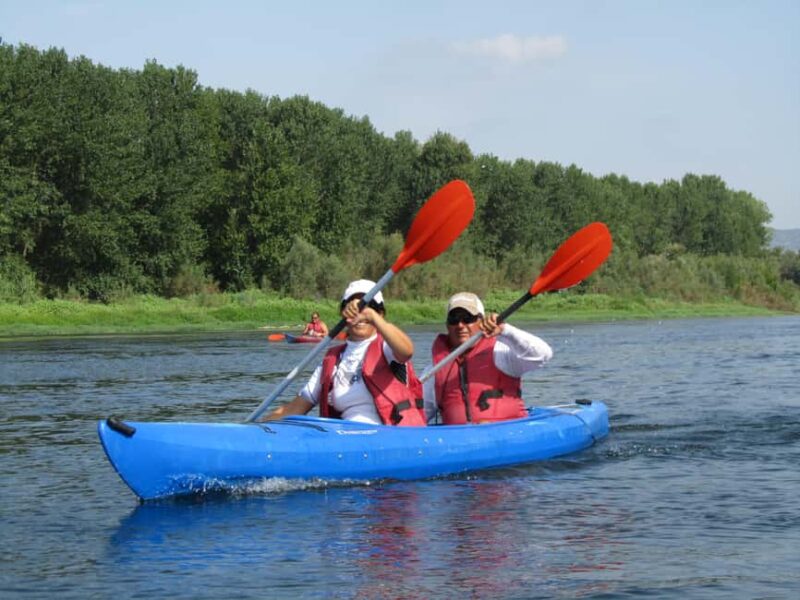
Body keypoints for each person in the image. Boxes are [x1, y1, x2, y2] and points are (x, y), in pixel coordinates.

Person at [262, 280, 426, 426]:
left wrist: (371, 316)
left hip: (392, 436)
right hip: (348, 437)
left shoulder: (386, 347)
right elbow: (296, 407)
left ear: (380, 314)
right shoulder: (332, 360)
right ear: (343, 312)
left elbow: (407, 351)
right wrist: (258, 427)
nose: (361, 313)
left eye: (369, 306)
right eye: (354, 308)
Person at [424, 292, 553, 425]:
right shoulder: (435, 369)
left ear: (482, 321)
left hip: (507, 432)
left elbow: (543, 355)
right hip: (458, 436)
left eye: (468, 318)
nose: (460, 325)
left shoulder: (500, 352)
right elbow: (421, 413)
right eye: (454, 319)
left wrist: (505, 330)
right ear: (447, 325)